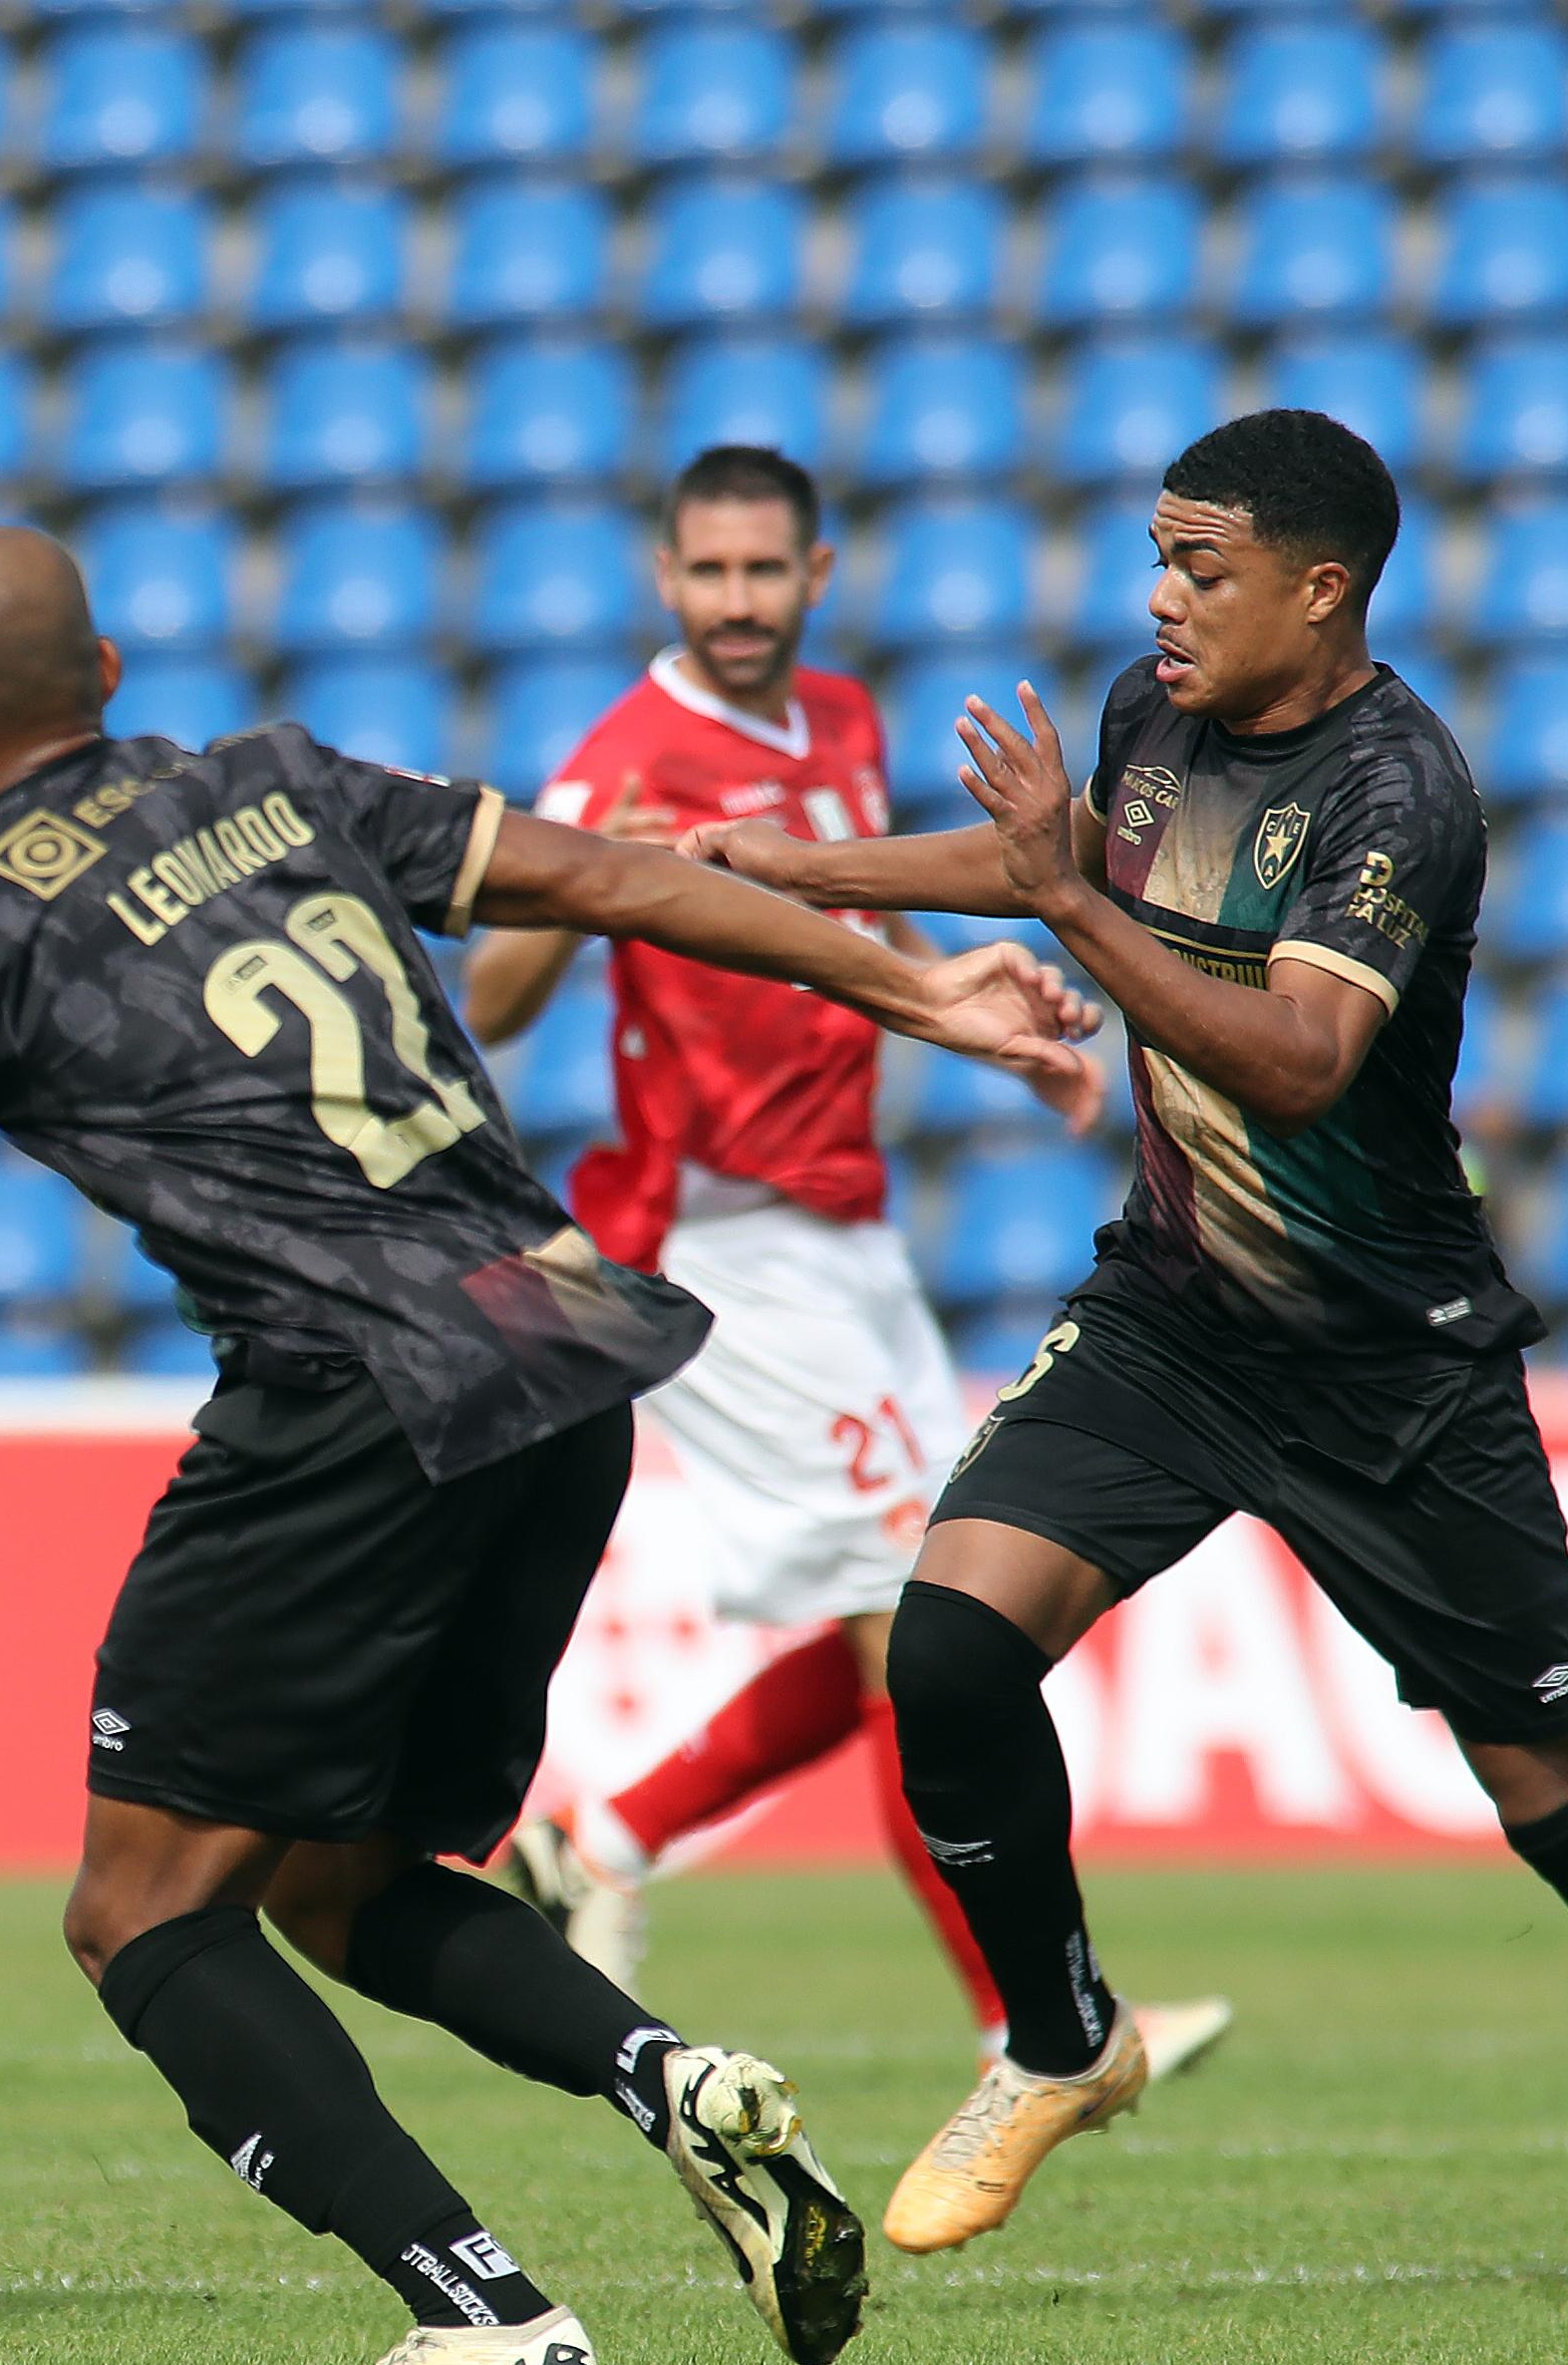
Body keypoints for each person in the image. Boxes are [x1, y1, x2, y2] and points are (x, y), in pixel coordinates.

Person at [0, 525, 1106, 2365]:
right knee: (342, 1885)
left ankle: (481, 2313)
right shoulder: (278, 780)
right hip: (563, 1344)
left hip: (353, 1396)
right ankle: (672, 2082)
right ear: (106, 673)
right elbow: (613, 879)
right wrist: (918, 999)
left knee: (140, 1913)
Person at [683, 410, 1568, 2295]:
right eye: (1157, 557)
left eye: (1197, 567)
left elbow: (1298, 1056)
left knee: (1552, 1790)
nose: (1159, 598)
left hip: (1389, 1366)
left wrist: (1066, 900)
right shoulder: (1156, 716)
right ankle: (1061, 2038)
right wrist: (805, 866)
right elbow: (1072, 855)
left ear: (1319, 588)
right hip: (1175, 1316)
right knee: (947, 1650)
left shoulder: (1399, 791)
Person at [462, 445, 1235, 2085]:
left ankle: (603, 1842)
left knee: (908, 1606)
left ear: (814, 575)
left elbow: (860, 941)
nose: (736, 600)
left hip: (847, 1220)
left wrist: (987, 1015)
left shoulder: (836, 719)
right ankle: (1038, 2029)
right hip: (724, 1236)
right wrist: (593, 872)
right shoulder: (624, 754)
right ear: (665, 579)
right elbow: (498, 998)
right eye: (708, 572)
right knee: (915, 1625)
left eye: (764, 570)